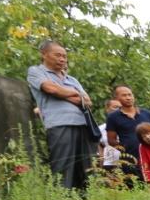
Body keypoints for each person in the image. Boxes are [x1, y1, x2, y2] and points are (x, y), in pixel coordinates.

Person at [26, 40, 97, 190]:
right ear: (44, 55)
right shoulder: (36, 71)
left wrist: (62, 93)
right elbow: (50, 89)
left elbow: (88, 102)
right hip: (59, 124)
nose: (62, 59)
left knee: (87, 167)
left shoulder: (72, 80)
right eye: (58, 55)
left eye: (64, 56)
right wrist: (75, 95)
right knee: (63, 165)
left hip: (83, 124)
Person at [104, 85, 150, 165]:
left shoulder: (147, 114)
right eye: (124, 95)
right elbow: (111, 140)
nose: (128, 98)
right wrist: (126, 149)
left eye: (130, 94)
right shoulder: (113, 117)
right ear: (117, 98)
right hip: (129, 160)